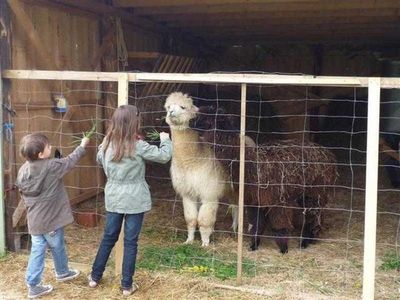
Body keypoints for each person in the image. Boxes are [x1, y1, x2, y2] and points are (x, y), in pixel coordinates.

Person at [88, 105, 172, 296]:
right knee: (130, 242)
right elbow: (163, 156)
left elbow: (99, 159)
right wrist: (165, 141)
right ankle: (127, 286)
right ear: (135, 122)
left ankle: (94, 277)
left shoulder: (107, 143)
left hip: (114, 196)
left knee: (109, 237)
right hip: (135, 197)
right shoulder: (138, 145)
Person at [16, 133, 90, 299]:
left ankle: (33, 284)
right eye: (48, 147)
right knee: (57, 246)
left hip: (35, 221)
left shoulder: (23, 170)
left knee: (37, 250)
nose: (50, 148)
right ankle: (62, 272)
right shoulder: (52, 166)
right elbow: (70, 161)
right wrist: (82, 146)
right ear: (41, 154)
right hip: (51, 220)